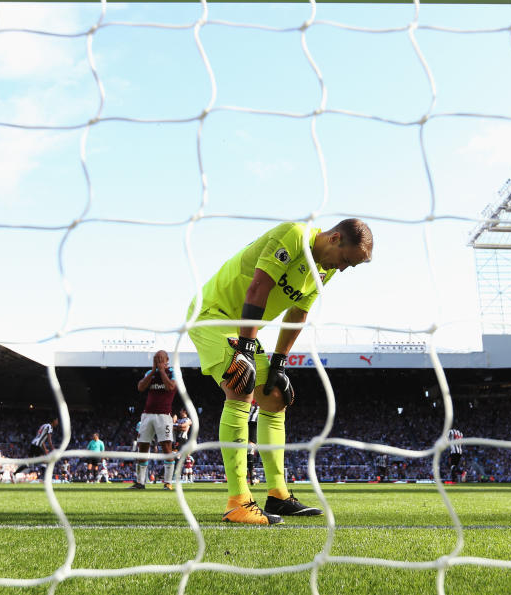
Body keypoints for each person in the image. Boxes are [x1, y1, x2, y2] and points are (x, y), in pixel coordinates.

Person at [187, 219, 373, 524]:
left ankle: (278, 496)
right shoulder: (295, 235)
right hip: (212, 315)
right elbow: (259, 286)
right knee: (241, 384)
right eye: (345, 260)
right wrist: (247, 348)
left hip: (242, 328)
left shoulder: (323, 270)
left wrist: (279, 362)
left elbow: (298, 312)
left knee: (275, 397)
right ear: (335, 238)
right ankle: (238, 502)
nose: (342, 269)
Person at [131, 350, 178, 491]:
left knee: (166, 447)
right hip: (147, 415)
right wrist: (153, 371)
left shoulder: (173, 372)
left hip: (163, 415)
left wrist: (162, 371)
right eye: (156, 359)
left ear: (167, 359)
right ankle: (140, 482)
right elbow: (140, 387)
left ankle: (168, 482)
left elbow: (171, 387)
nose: (158, 361)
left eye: (161, 358)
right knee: (143, 447)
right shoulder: (149, 374)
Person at [13, 418, 57, 482]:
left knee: (28, 464)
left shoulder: (43, 425)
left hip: (33, 444)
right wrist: (53, 449)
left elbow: (42, 440)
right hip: (37, 445)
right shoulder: (49, 427)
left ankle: (13, 474)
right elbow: (49, 440)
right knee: (44, 461)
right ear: (53, 420)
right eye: (56, 420)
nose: (57, 422)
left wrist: (45, 449)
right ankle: (45, 480)